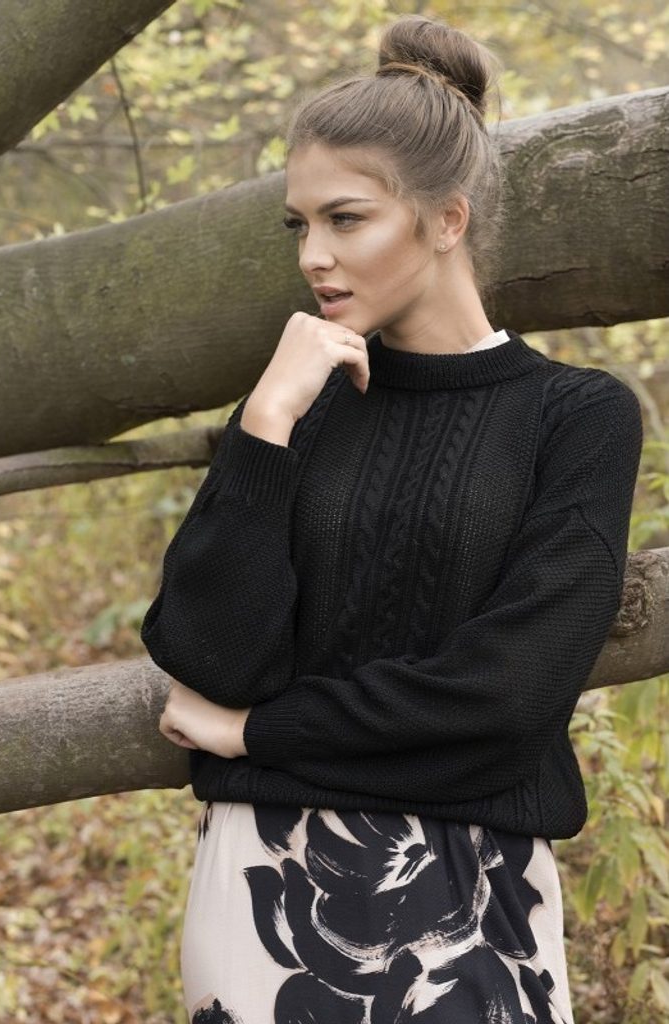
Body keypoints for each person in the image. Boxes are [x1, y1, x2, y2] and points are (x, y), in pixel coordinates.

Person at [139, 13, 643, 1024]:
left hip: (483, 896)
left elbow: (508, 696)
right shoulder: (296, 405)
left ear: (446, 220)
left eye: (345, 218)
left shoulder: (576, 418)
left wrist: (255, 733)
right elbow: (206, 653)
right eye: (299, 225)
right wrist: (265, 423)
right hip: (266, 887)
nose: (313, 255)